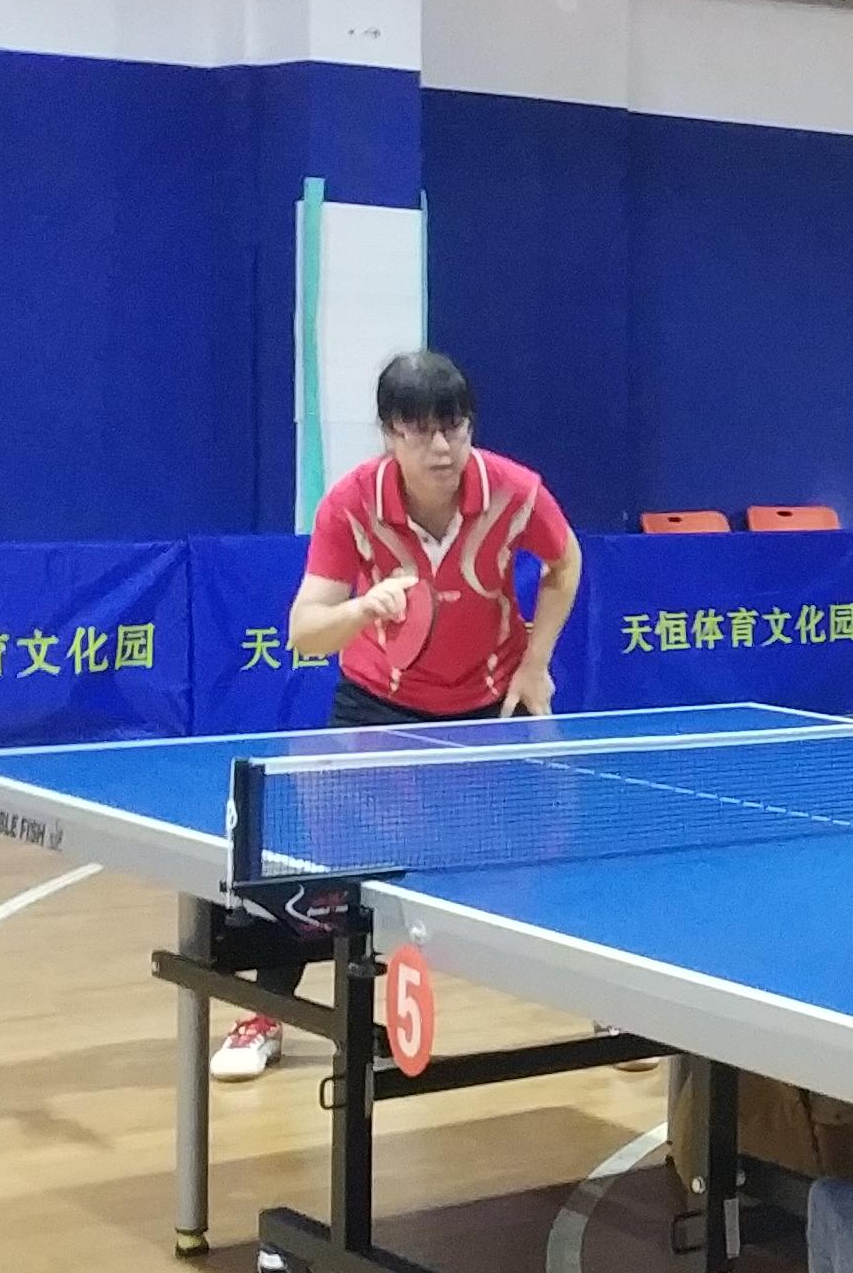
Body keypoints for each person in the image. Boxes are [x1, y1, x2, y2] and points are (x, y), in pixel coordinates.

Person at [215, 350, 582, 1083]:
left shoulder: (514, 491)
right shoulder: (351, 504)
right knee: (319, 867)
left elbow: (564, 562)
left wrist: (535, 661)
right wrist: (361, 608)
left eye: (455, 427)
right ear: (389, 433)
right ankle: (266, 1015)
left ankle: (606, 1006)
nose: (441, 447)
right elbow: (304, 631)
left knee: (549, 854)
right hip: (375, 708)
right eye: (420, 431)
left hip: (487, 710)